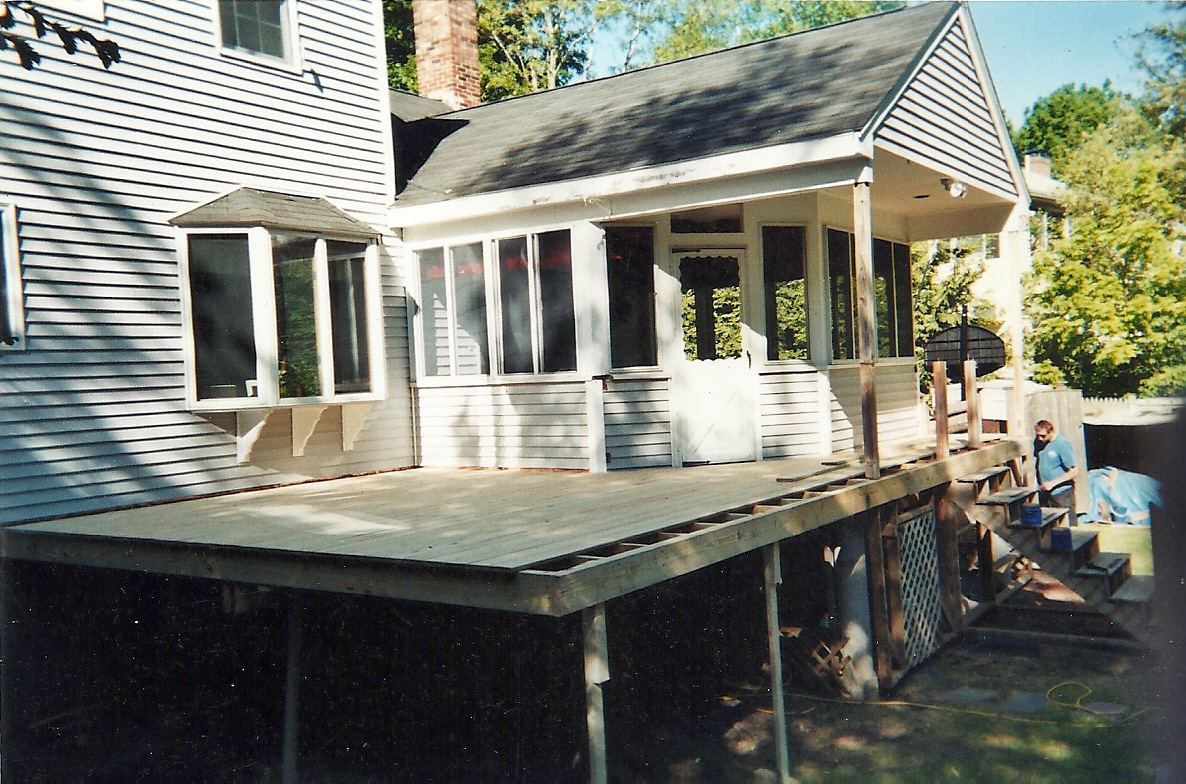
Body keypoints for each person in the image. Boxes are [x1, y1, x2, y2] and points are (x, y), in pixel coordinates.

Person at [1033, 419, 1079, 525]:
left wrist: (1052, 483)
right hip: (1045, 493)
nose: (1040, 438)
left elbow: (1074, 472)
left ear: (1051, 432)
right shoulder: (1040, 443)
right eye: (1038, 435)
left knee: (1067, 527)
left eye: (1043, 436)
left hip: (1062, 493)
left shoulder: (1063, 444)